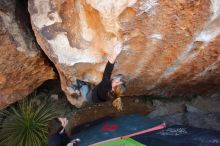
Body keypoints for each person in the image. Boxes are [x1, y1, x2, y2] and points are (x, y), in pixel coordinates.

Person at [72, 41, 126, 108]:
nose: (116, 80)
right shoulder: (113, 95)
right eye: (119, 80)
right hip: (96, 97)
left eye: (117, 82)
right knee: (91, 85)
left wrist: (115, 53)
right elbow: (116, 82)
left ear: (113, 89)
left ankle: (76, 88)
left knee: (79, 81)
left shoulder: (106, 85)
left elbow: (108, 70)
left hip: (89, 97)